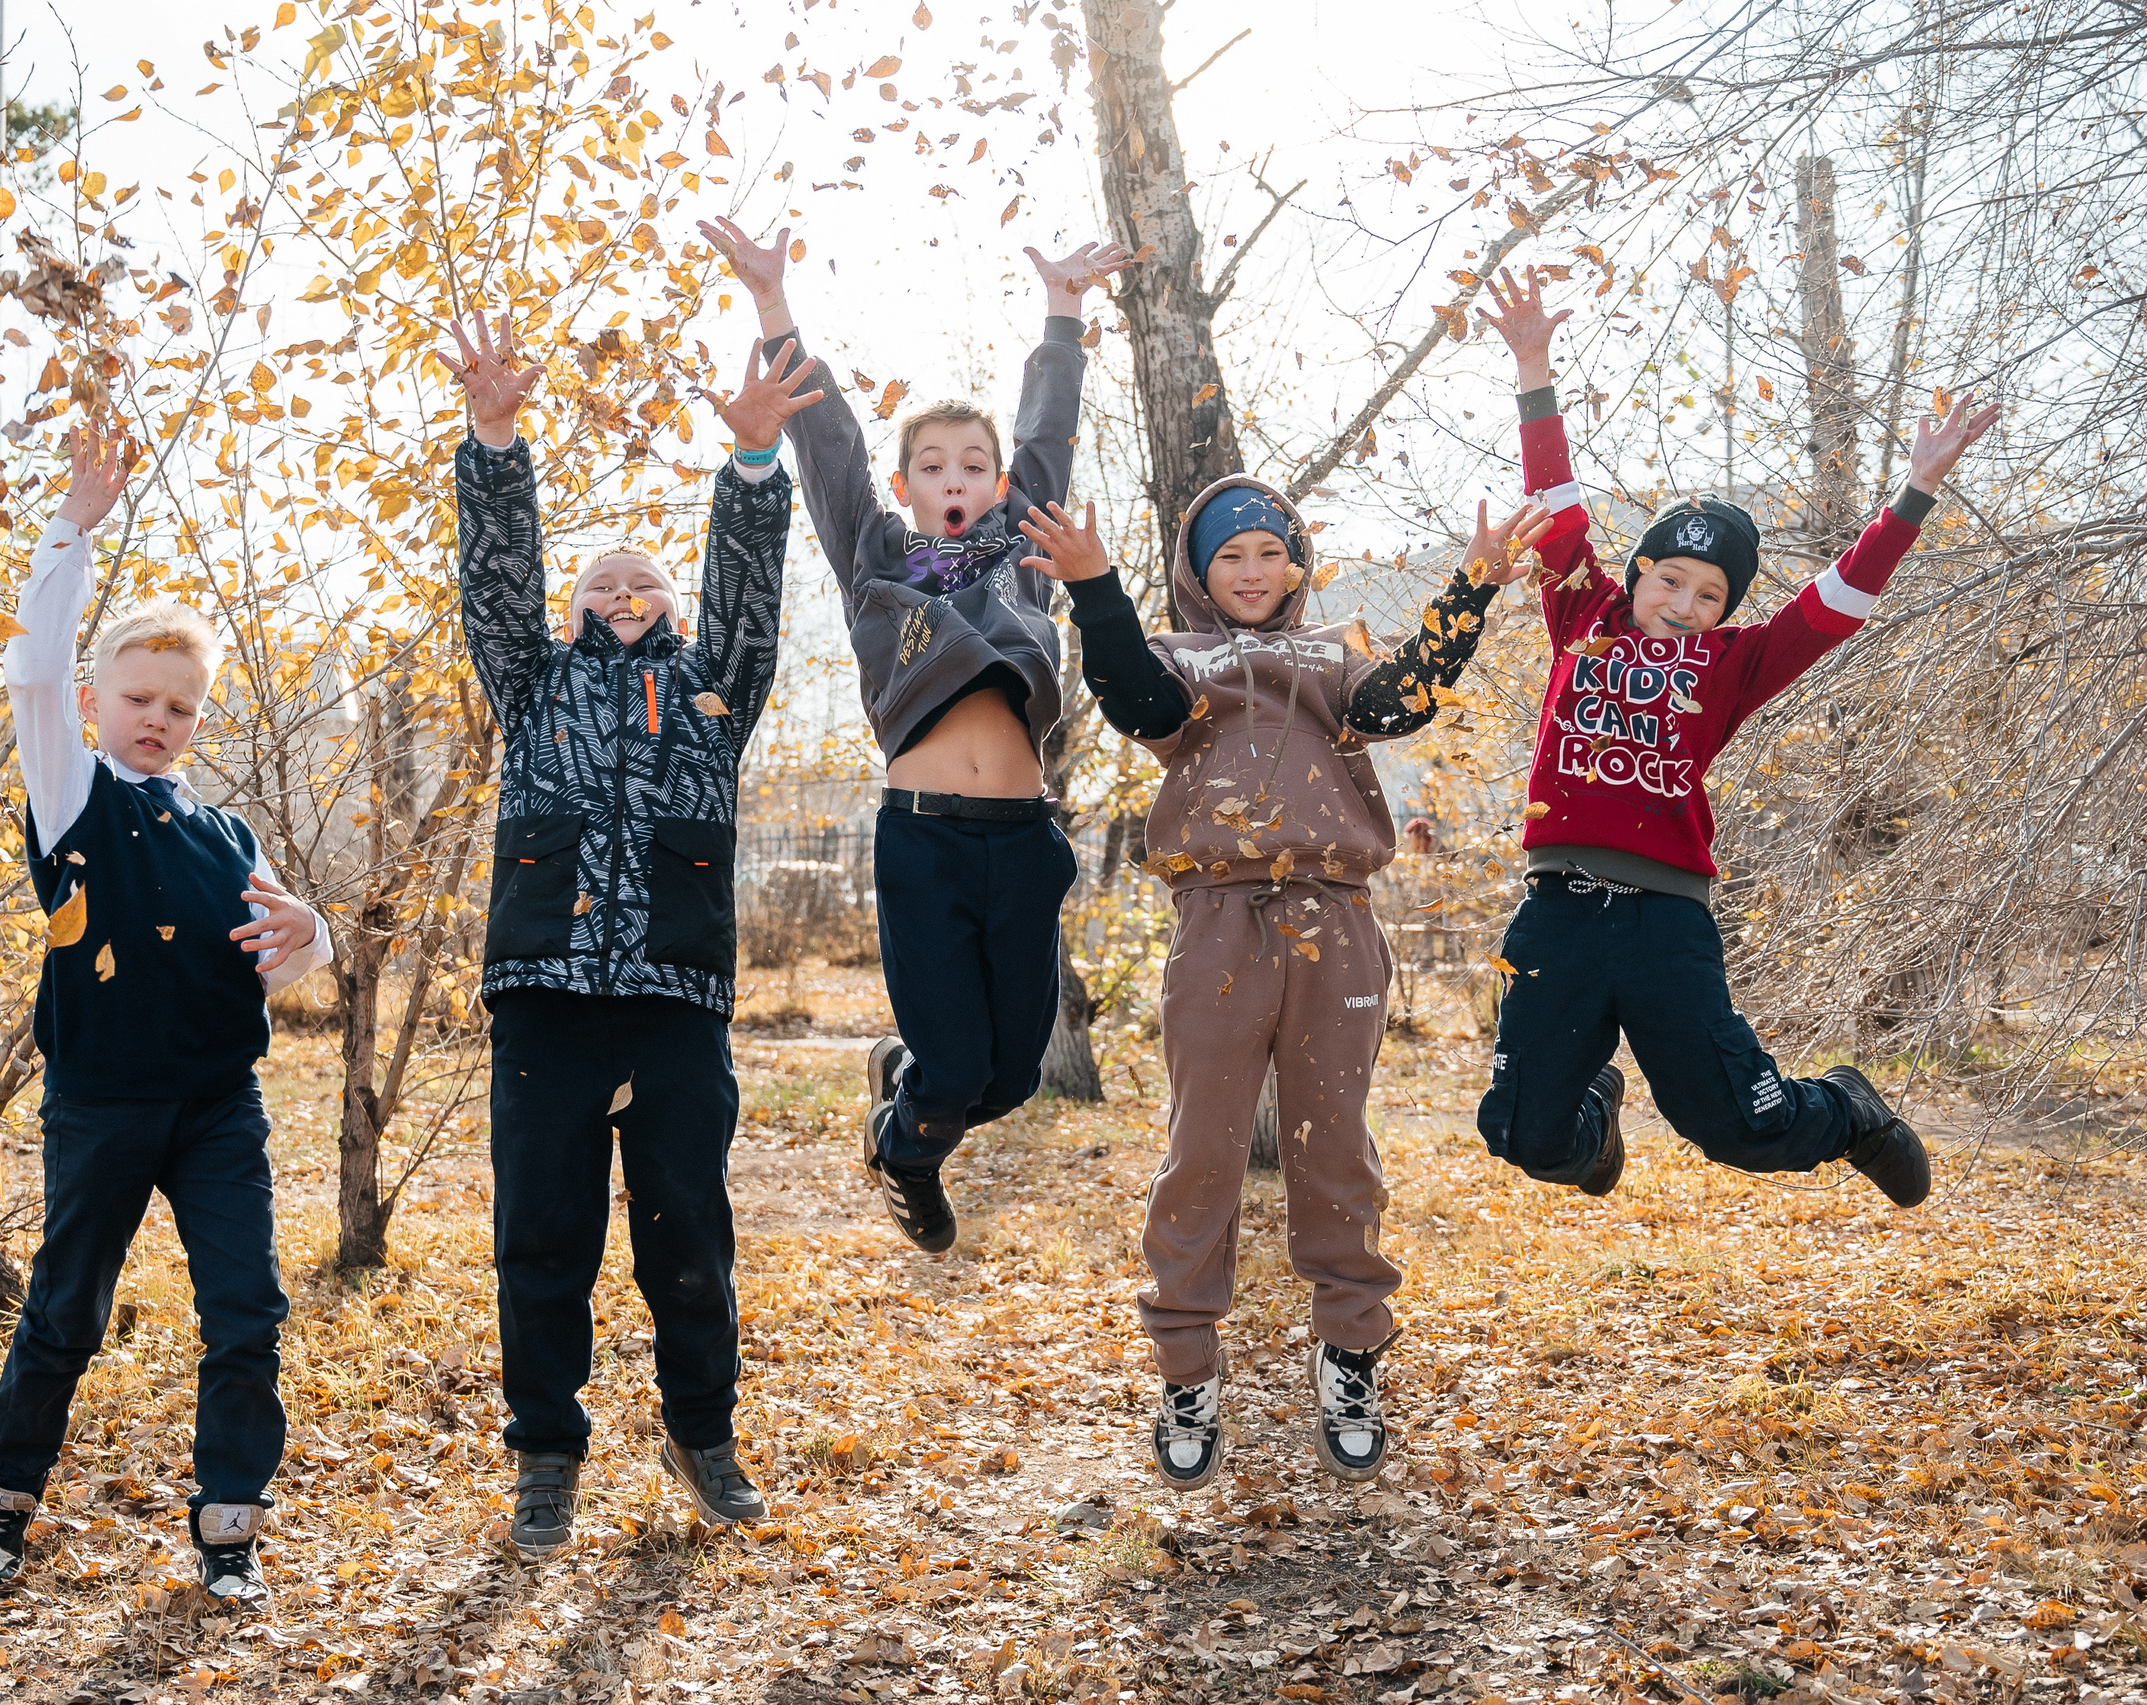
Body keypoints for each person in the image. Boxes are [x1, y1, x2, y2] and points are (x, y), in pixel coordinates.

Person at [1020, 485, 1549, 1487]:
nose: (1253, 570)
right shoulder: (1181, 658)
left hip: (1332, 918)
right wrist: (1093, 585)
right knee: (1202, 1149)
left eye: (1271, 552)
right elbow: (1133, 696)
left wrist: (1473, 585)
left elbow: (1404, 696)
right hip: (1218, 921)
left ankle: (1348, 1353)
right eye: (1231, 557)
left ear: (1297, 565)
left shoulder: (1332, 658)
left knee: (1334, 1142)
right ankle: (1186, 1366)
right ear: (1200, 572)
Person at [1474, 265, 1999, 1206]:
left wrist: (1913, 492)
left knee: (1742, 1128)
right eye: (1669, 579)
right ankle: (1594, 1113)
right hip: (1556, 912)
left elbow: (1836, 601)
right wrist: (1534, 367)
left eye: (1709, 594)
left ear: (1725, 612)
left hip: (1663, 922)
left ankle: (1847, 1108)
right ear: (1634, 579)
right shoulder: (1581, 615)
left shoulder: (1734, 665)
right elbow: (1555, 502)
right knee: (1519, 1130)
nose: (1684, 601)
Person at [442, 315, 819, 1561]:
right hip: (545, 992)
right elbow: (497, 579)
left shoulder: (718, 690)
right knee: (542, 1237)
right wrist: (496, 439)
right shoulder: (530, 681)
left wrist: (753, 470)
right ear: (570, 610)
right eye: (597, 581)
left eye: (639, 580)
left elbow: (750, 594)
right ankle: (546, 1454)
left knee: (687, 1235)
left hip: (673, 997)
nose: (618, 592)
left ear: (668, 606)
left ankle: (702, 1431)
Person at [698, 214, 1130, 1254]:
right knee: (950, 1066)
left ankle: (907, 1105)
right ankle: (906, 1142)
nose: (953, 478)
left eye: (971, 466)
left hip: (1024, 839)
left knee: (1016, 1073)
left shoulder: (1022, 547)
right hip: (926, 839)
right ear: (904, 488)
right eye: (931, 465)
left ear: (993, 485)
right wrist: (771, 305)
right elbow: (828, 441)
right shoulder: (875, 557)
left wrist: (1063, 312)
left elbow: (1047, 433)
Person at [0, 422, 334, 1607]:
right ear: (94, 702)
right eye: (135, 697)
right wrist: (70, 529)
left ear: (196, 719)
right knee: (68, 1304)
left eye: (178, 705)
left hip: (220, 1105)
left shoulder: (225, 835)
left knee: (246, 1310)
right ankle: (6, 1502)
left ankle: (230, 1524)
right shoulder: (71, 797)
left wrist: (310, 936)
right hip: (105, 1102)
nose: (157, 718)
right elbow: (29, 668)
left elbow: (273, 962)